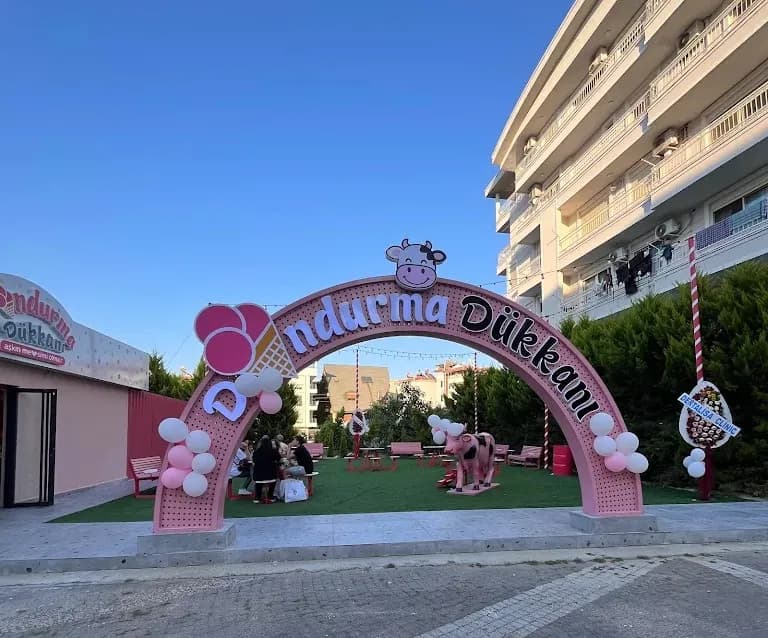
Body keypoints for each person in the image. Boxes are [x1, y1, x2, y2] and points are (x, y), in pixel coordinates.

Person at [251, 435, 281, 503]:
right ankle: (270, 496)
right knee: (273, 481)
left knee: (258, 483)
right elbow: (279, 458)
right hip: (271, 475)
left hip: (258, 476)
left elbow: (254, 461)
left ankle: (257, 497)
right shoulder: (273, 451)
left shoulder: (256, 452)